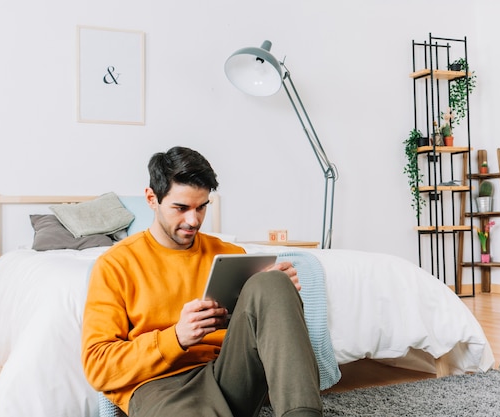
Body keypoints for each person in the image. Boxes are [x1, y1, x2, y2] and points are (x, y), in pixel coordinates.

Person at [82, 146, 322, 417]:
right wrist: (176, 337)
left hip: (227, 374)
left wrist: (277, 294)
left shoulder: (229, 255)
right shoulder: (115, 265)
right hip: (159, 386)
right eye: (181, 208)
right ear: (152, 198)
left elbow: (255, 330)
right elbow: (98, 367)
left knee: (273, 283)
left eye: (201, 207)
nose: (193, 220)